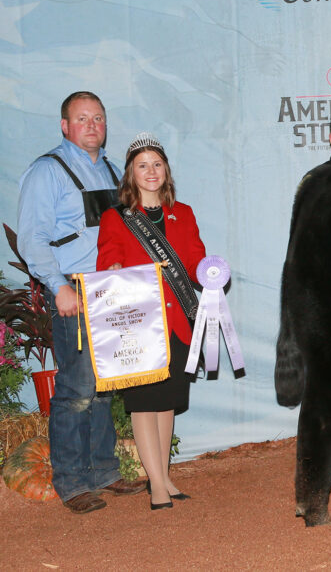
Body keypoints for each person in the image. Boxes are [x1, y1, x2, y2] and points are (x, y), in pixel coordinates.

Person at [16, 92, 146, 514]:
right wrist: (58, 286)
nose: (92, 125)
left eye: (99, 118)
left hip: (112, 288)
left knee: (105, 385)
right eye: (82, 118)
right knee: (76, 389)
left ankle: (105, 471)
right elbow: (32, 239)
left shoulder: (111, 170)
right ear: (64, 125)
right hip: (74, 288)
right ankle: (71, 481)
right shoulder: (47, 171)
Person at [97, 133, 207, 509]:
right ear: (130, 173)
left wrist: (209, 270)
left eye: (156, 164)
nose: (151, 171)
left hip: (178, 321)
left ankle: (165, 476)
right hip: (138, 324)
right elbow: (108, 258)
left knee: (166, 403)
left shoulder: (185, 213)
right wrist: (113, 268)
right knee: (144, 403)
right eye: (142, 165)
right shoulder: (115, 218)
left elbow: (193, 260)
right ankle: (156, 485)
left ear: (166, 171)